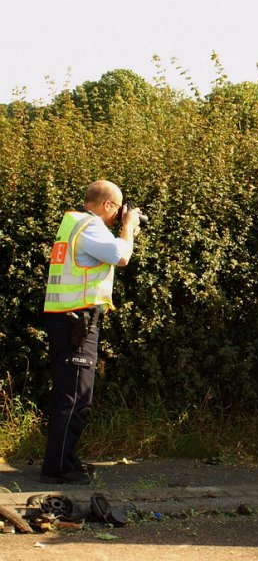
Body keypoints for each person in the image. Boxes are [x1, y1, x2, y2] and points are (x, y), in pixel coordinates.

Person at [40, 180, 141, 484]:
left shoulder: (73, 224)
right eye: (117, 210)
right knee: (75, 397)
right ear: (108, 205)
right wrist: (128, 226)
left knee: (68, 393)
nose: (117, 217)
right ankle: (58, 467)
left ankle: (64, 458)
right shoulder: (90, 226)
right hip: (77, 322)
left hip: (67, 319)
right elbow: (121, 256)